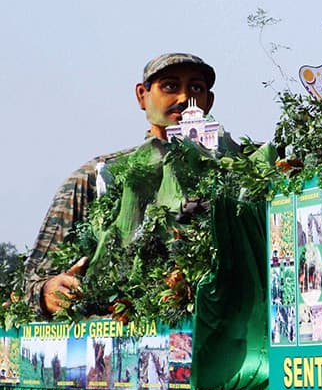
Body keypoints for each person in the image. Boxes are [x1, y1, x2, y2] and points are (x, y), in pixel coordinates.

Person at [25, 53, 229, 317]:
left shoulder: (232, 175)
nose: (183, 99)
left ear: (208, 102)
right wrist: (48, 292)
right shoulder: (96, 177)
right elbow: (31, 282)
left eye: (196, 88)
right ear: (142, 96)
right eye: (169, 86)